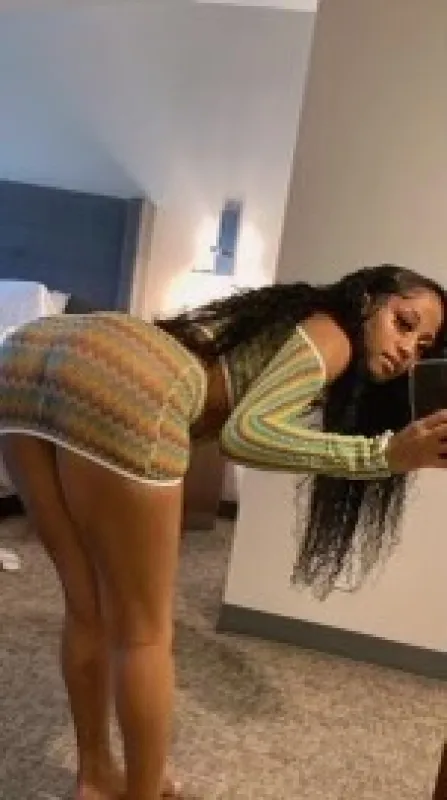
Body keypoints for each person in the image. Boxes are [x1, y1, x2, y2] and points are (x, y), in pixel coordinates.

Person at [0, 263, 446, 800]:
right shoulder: (334, 335)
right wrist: (384, 454)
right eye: (404, 323)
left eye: (422, 347)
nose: (407, 351)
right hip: (131, 375)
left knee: (86, 605)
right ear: (369, 300)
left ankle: (95, 777)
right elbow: (247, 433)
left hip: (27, 354)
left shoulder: (291, 319)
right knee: (144, 634)